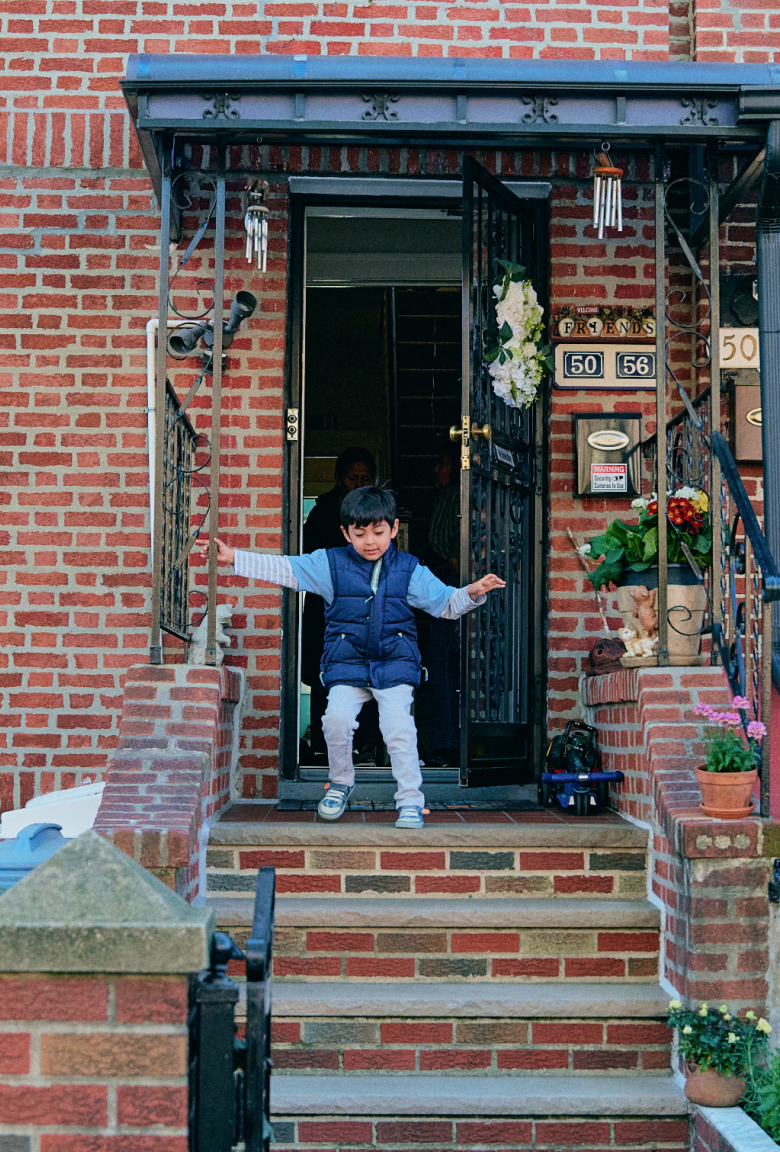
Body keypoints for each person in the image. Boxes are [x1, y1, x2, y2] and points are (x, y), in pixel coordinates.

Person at [198, 486, 505, 828]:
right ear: (346, 533)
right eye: (360, 534)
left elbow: (444, 604)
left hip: (395, 664)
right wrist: (236, 558)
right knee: (336, 721)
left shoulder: (409, 569)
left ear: (393, 528)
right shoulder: (330, 564)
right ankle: (340, 782)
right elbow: (286, 568)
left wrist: (472, 592)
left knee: (399, 729)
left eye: (378, 532)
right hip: (349, 664)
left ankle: (410, 801)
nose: (370, 541)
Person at [300, 447, 379, 763]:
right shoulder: (323, 511)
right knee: (328, 672)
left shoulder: (379, 509)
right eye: (352, 477)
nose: (358, 483)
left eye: (364, 477)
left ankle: (366, 744)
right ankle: (325, 745)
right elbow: (311, 555)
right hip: (330, 606)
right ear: (339, 480)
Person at [425, 444, 462, 766]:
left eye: (441, 463)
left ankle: (446, 743)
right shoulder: (447, 497)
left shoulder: (454, 497)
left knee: (441, 663)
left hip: (451, 584)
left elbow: (452, 557)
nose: (435, 470)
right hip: (444, 582)